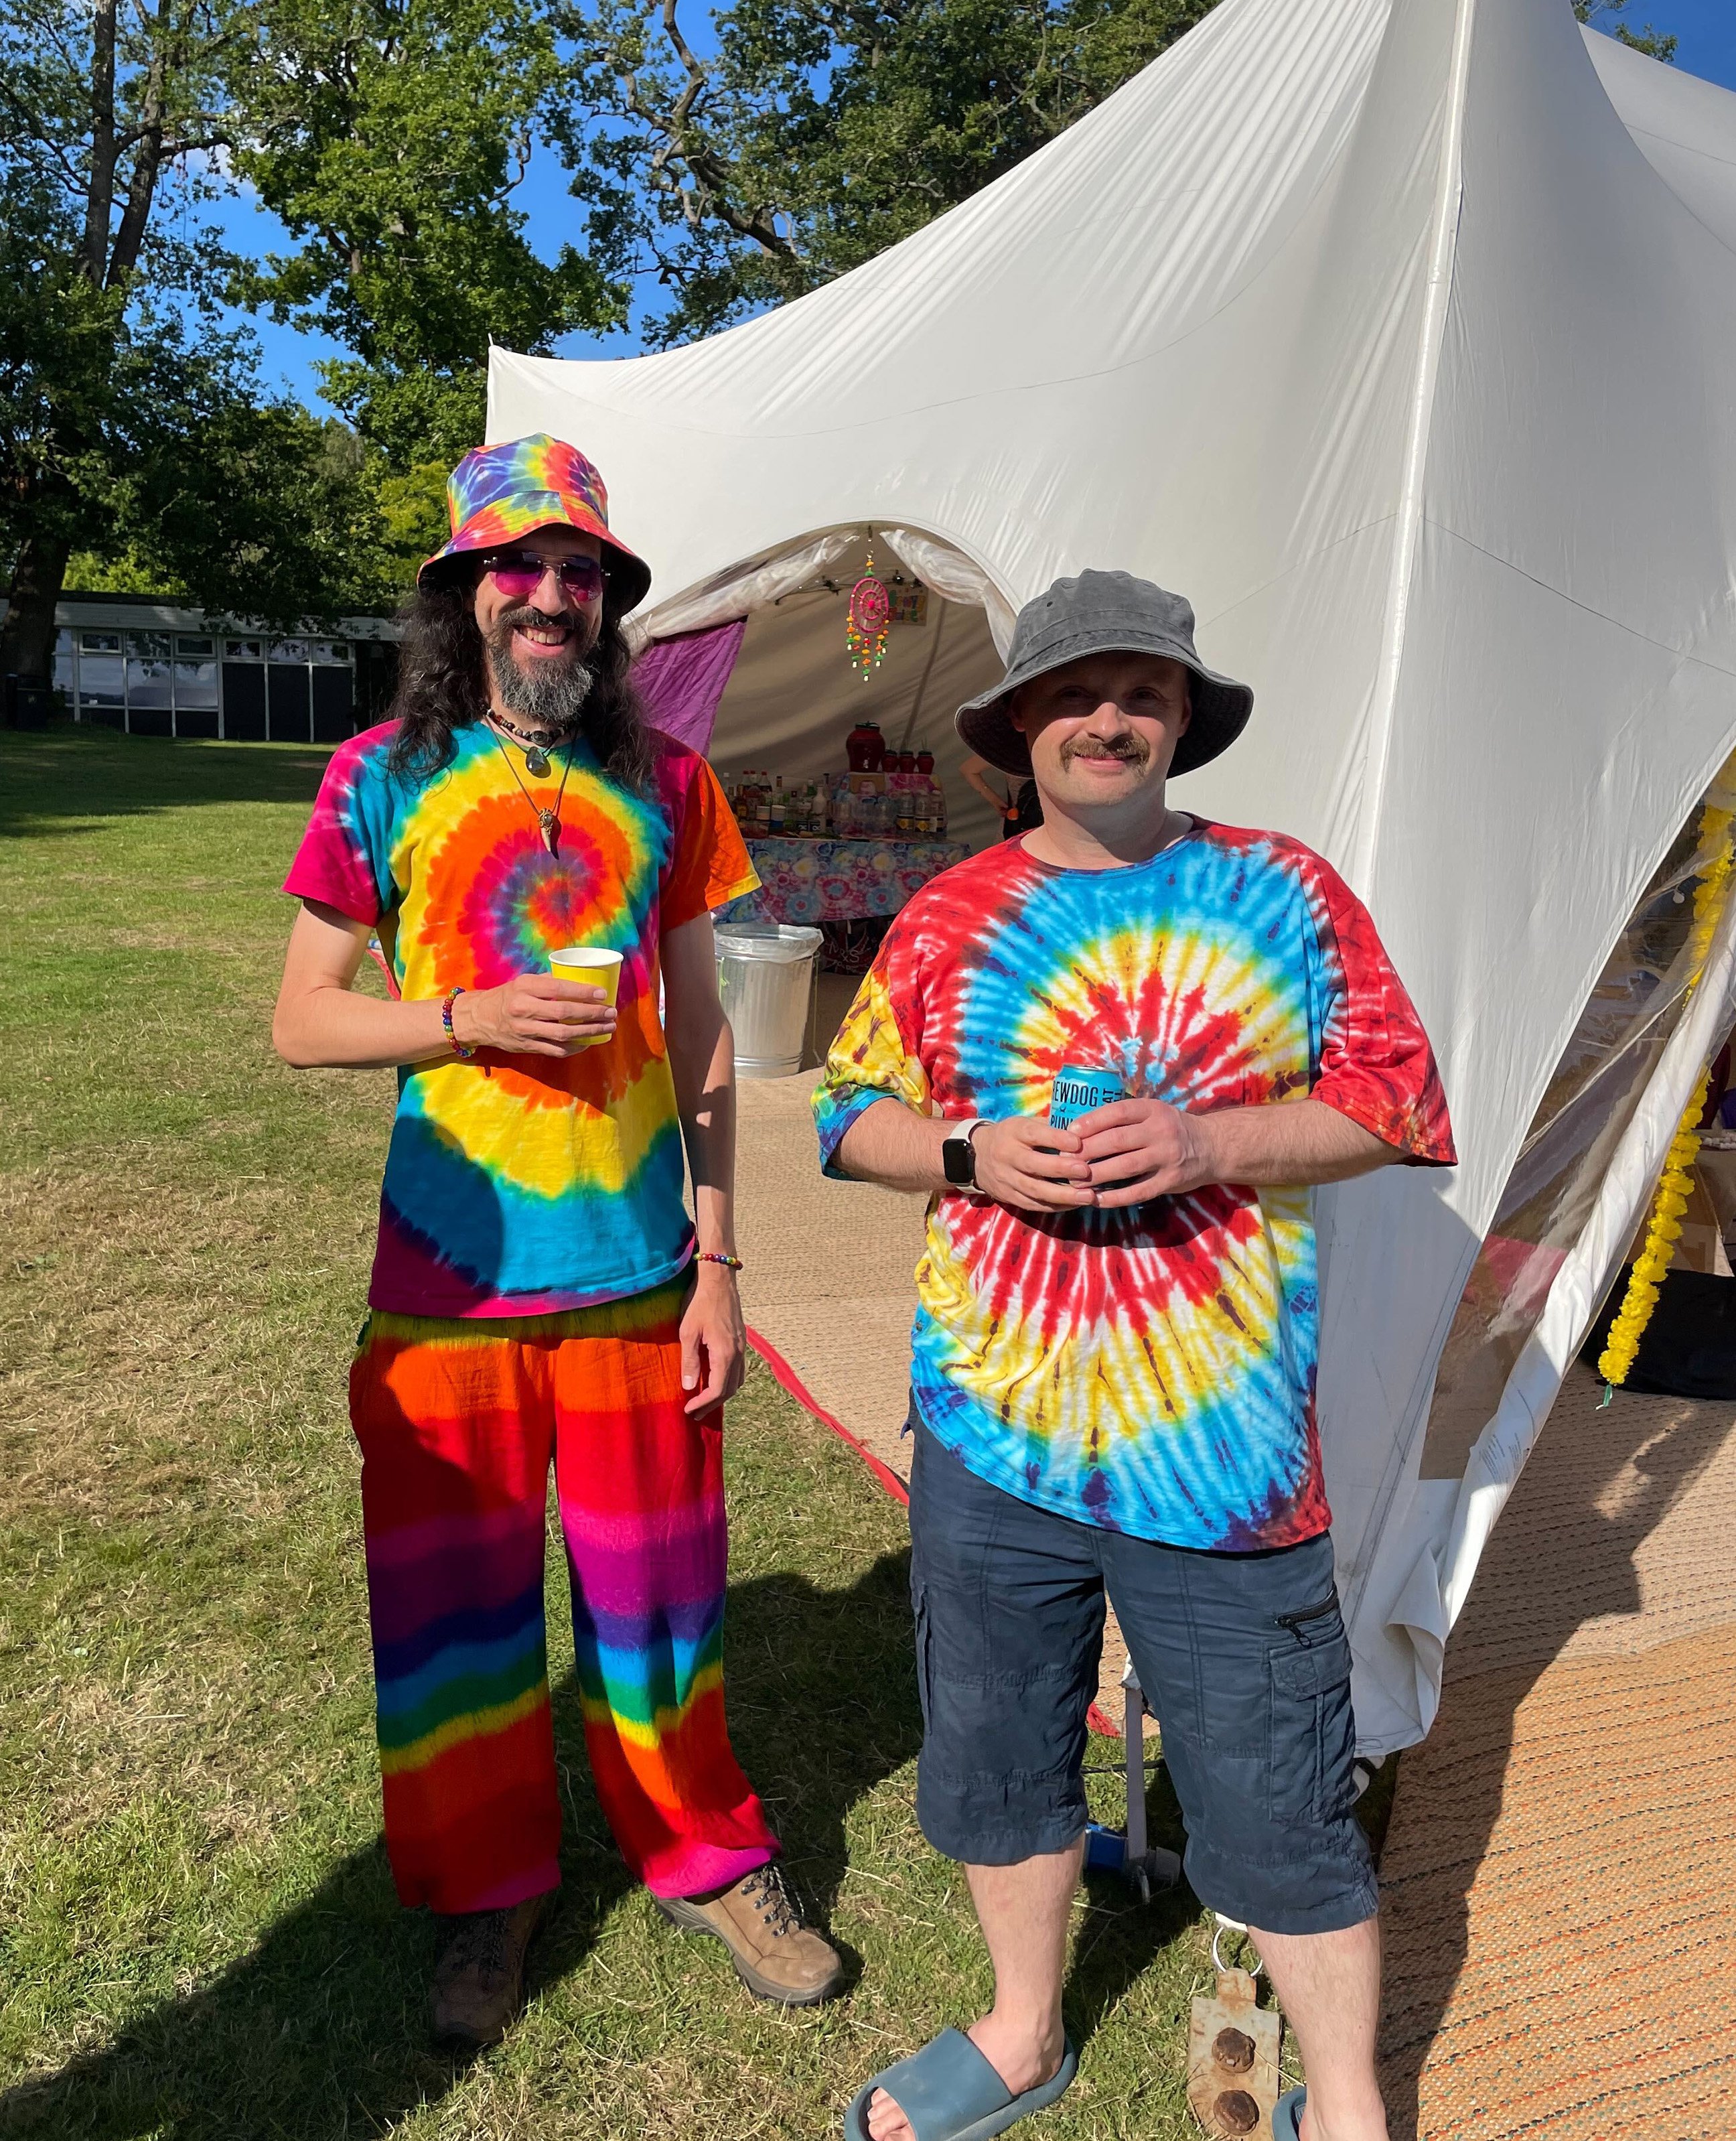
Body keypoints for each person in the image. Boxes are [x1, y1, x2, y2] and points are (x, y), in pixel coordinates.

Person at [815, 571, 1455, 2141]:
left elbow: (1397, 1101)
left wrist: (1206, 1136)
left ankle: (1345, 2102)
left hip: (1220, 1447)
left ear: (1180, 719)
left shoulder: (1280, 891)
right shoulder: (954, 913)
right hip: (995, 1430)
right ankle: (1026, 2028)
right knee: (995, 1745)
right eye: (1076, 691)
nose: (1109, 716)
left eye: (1142, 690)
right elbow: (846, 1109)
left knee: (1273, 1789)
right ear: (1022, 723)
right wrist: (970, 1155)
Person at [273, 433, 843, 2047]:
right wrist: (458, 1014)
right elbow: (302, 1021)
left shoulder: (672, 780)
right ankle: (487, 1893)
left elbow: (708, 1038)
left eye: (579, 572)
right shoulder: (373, 776)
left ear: (607, 605)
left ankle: (711, 1856)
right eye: (516, 570)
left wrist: (722, 1262)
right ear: (464, 596)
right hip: (445, 1284)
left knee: (661, 1605)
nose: (551, 595)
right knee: (453, 1618)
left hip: (635, 1272)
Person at [960, 751, 1043, 839]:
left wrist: (995, 801)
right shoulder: (1053, 750)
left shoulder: (1012, 751)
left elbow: (968, 770)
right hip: (1027, 825)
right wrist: (995, 801)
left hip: (1016, 825)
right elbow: (968, 770)